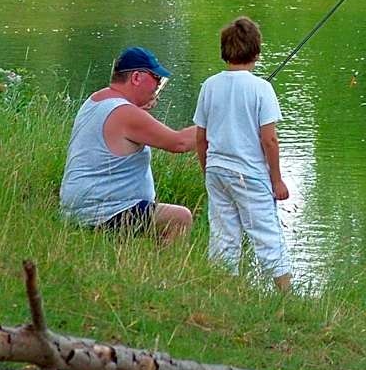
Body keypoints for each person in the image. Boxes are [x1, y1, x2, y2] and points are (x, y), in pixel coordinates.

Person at [194, 17, 291, 290]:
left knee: (223, 237)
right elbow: (269, 140)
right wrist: (277, 180)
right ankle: (287, 300)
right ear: (257, 52)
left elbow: (201, 138)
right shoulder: (262, 89)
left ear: (224, 50)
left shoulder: (209, 86)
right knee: (268, 237)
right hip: (250, 175)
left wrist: (207, 170)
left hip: (216, 171)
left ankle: (223, 292)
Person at [60, 46, 195, 241]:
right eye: (156, 79)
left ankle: (148, 263)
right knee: (180, 217)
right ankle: (165, 269)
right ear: (137, 78)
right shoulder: (124, 113)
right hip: (102, 213)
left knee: (160, 213)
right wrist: (215, 125)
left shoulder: (97, 99)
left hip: (80, 209)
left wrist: (138, 107)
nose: (157, 87)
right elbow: (178, 143)